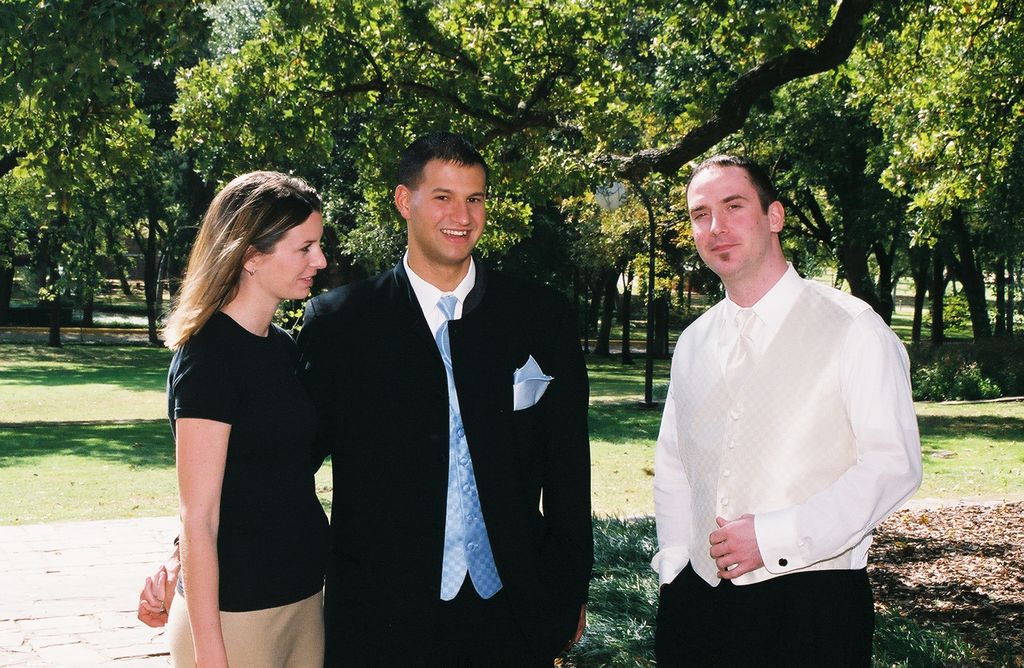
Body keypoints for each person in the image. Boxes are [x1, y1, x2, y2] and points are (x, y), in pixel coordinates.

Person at [141, 133, 592, 665]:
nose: (462, 216)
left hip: (512, 612)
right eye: (443, 197)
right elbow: (276, 465)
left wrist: (568, 589)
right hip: (382, 618)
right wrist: (182, 553)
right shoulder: (338, 323)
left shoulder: (542, 316)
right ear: (405, 201)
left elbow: (569, 469)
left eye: (475, 198)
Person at [651, 155, 922, 666]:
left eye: (734, 206)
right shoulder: (693, 342)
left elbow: (893, 465)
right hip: (697, 609)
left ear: (774, 216)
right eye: (700, 214)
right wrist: (675, 566)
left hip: (813, 610)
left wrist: (775, 537)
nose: (716, 227)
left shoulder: (854, 329)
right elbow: (674, 465)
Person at [156, 171, 330, 667]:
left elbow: (267, 477)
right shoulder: (208, 358)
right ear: (251, 256)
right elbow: (199, 514)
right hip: (234, 618)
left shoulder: (285, 350)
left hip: (302, 600)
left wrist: (171, 558)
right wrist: (210, 651)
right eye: (305, 248)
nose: (320, 261)